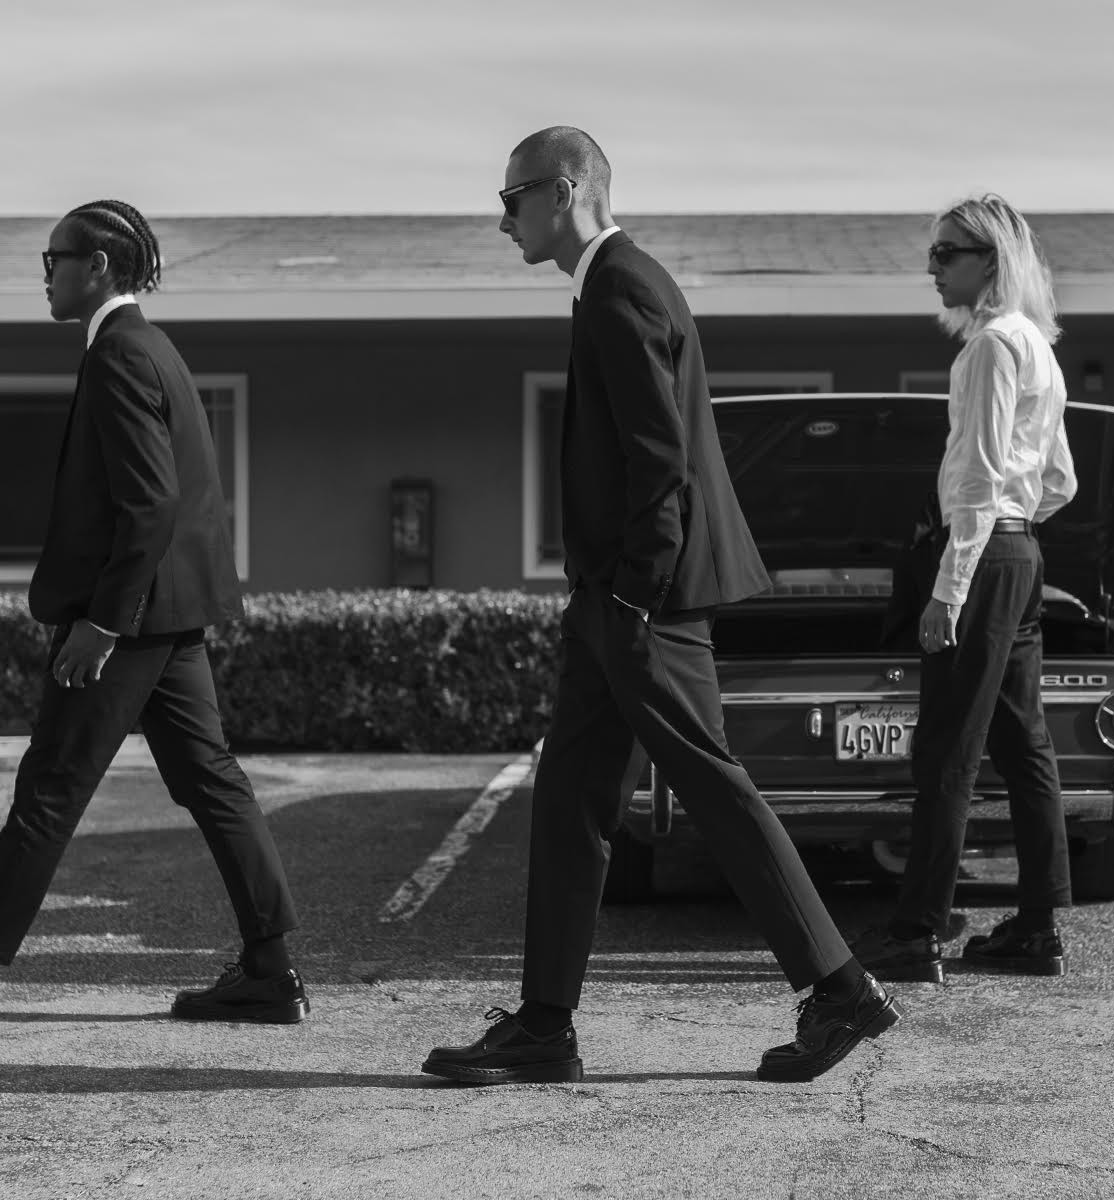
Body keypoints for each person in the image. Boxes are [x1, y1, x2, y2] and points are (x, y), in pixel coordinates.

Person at [421, 128, 904, 1086]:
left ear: (564, 192)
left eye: (511, 199)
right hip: (612, 602)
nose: (503, 220)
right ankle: (545, 1025)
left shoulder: (622, 286)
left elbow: (661, 460)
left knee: (714, 792)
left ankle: (842, 988)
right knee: (570, 800)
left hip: (644, 603)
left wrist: (636, 595)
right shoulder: (608, 286)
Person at [0, 200, 307, 1029]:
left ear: (96, 266)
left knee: (51, 787)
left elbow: (151, 502)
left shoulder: (120, 354)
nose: (46, 274)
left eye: (53, 258)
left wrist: (103, 623)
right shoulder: (150, 347)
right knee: (211, 781)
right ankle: (270, 971)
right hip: (170, 614)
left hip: (131, 617)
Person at [854, 194, 1078, 984]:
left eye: (947, 253)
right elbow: (1060, 481)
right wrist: (1014, 539)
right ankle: (1039, 929)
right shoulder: (1037, 344)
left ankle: (916, 933)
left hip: (981, 557)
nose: (933, 267)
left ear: (991, 260)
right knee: (1024, 745)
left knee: (948, 750)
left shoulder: (989, 347)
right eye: (934, 253)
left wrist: (950, 590)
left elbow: (979, 481)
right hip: (1019, 554)